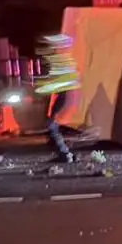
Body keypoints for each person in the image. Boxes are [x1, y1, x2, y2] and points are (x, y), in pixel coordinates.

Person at [35, 32, 80, 163]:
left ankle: (64, 153)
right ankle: (65, 153)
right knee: (52, 125)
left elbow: (58, 82)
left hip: (65, 96)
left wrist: (43, 86)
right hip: (64, 96)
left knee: (52, 125)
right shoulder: (62, 60)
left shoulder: (61, 61)